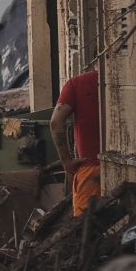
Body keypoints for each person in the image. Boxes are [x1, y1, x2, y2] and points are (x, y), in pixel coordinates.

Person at [51, 67, 102, 217]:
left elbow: (55, 122)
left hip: (90, 171)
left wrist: (66, 161)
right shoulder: (127, 79)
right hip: (126, 166)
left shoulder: (77, 83)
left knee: (86, 230)